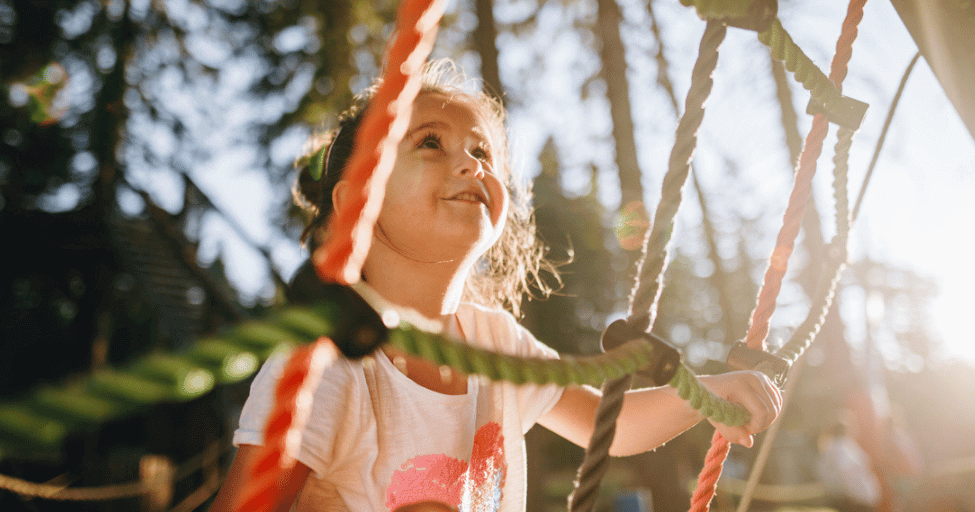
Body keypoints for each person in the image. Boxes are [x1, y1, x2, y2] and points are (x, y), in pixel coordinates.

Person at [208, 61, 783, 512]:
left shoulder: (495, 341)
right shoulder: (327, 365)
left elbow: (609, 427)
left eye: (482, 151)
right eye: (430, 143)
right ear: (357, 201)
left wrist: (703, 393)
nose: (471, 165)